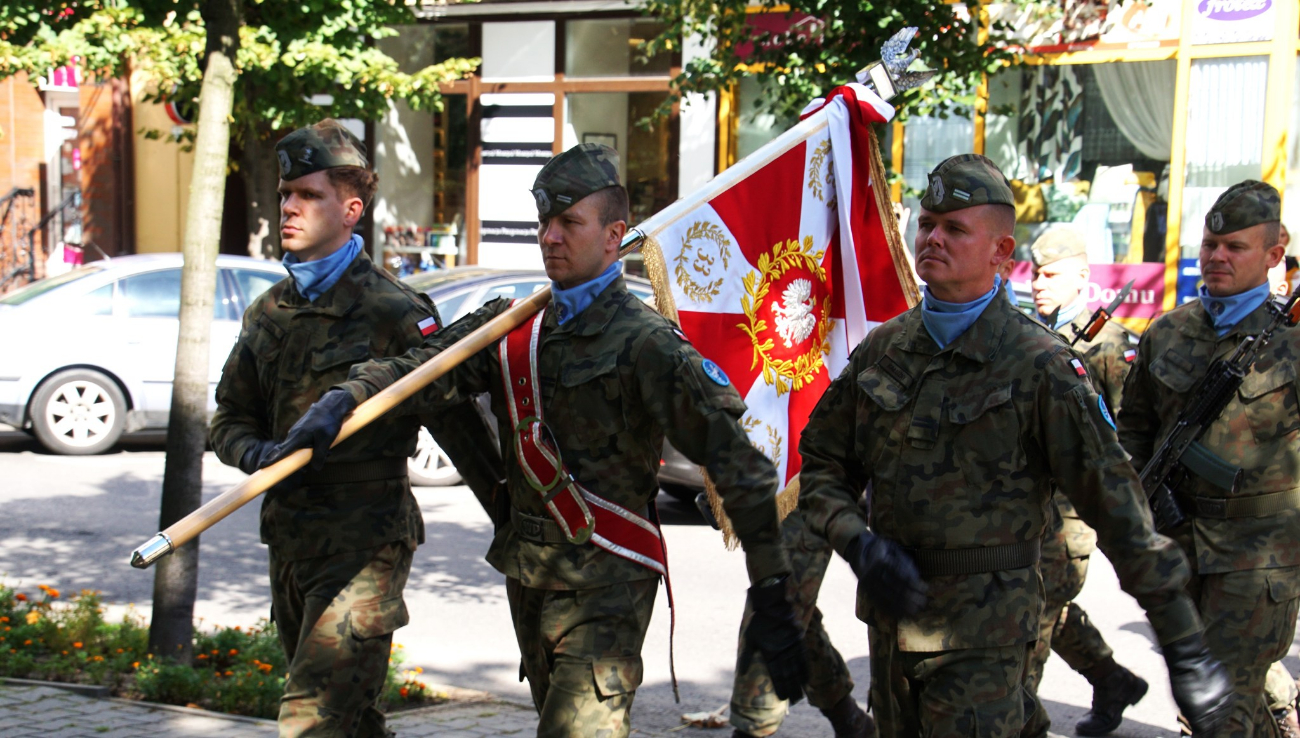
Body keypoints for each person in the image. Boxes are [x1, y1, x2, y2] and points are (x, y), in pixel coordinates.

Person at [268, 143, 809, 738]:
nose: (550, 237)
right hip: (529, 575)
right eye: (544, 223)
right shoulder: (512, 325)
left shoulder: (647, 343)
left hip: (608, 581)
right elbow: (423, 368)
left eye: (569, 223)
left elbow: (736, 459)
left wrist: (761, 559)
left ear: (614, 235)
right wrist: (343, 398)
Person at [797, 153, 1231, 738]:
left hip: (986, 639)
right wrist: (856, 542)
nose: (932, 239)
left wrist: (1183, 641)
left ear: (1001, 253)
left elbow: (1118, 506)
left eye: (955, 229)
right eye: (927, 224)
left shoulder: (1041, 366)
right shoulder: (885, 349)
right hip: (893, 629)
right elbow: (823, 465)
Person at [209, 119, 501, 738]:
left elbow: (461, 431)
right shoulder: (270, 311)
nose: (289, 205)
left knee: (311, 720)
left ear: (351, 210)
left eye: (308, 195)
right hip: (289, 541)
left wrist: (515, 521)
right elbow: (228, 421)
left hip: (364, 547)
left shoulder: (392, 310)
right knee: (352, 722)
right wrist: (261, 452)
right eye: (286, 192)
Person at [1119, 179, 1300, 738]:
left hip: (1258, 557)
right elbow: (1135, 429)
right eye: (1209, 246)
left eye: (1235, 247)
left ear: (1273, 256)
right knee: (1206, 701)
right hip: (1178, 543)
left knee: (1222, 709)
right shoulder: (1168, 331)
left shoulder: (1291, 343)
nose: (1217, 257)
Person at [1022, 227, 1146, 737]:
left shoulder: (1110, 345)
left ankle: (1016, 717)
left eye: (1050, 274)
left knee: (1027, 625)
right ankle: (1112, 679)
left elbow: (1132, 437)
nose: (1038, 283)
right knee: (1047, 607)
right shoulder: (1031, 335)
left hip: (1070, 517)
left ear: (1081, 275)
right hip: (1026, 507)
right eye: (1034, 274)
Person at [729, 509, 874, 738]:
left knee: (777, 605)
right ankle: (850, 721)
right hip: (773, 491)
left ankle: (750, 729)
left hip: (804, 490)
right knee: (792, 612)